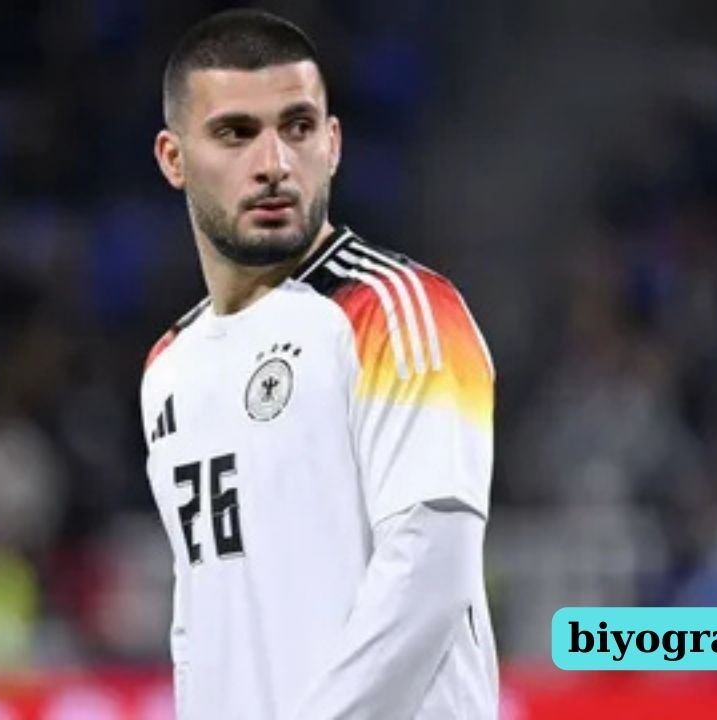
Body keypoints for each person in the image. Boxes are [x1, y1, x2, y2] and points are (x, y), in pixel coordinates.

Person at [141, 9, 498, 719]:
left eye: (298, 127)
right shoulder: (169, 369)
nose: (274, 163)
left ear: (332, 143)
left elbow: (431, 566)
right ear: (173, 158)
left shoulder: (396, 310)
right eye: (236, 133)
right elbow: (201, 622)